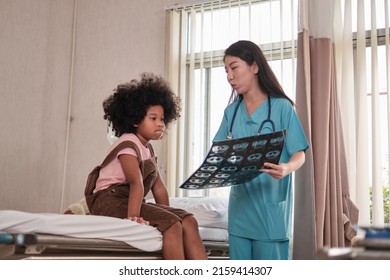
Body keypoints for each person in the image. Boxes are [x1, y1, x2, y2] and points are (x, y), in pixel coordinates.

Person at [87, 72, 208, 260]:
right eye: (153, 118)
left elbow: (159, 189)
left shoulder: (148, 149)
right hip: (109, 202)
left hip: (127, 200)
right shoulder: (127, 142)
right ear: (135, 120)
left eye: (162, 119)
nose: (160, 124)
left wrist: (167, 212)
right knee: (173, 225)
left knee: (188, 220)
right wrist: (133, 219)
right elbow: (136, 184)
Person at [213, 40, 309, 260]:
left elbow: (299, 153)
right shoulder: (232, 112)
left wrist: (286, 168)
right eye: (226, 70)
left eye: (234, 67)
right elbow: (218, 152)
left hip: (270, 214)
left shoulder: (282, 107)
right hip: (240, 213)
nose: (229, 76)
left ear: (254, 67)